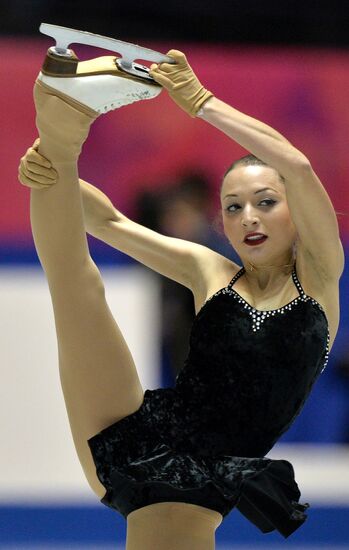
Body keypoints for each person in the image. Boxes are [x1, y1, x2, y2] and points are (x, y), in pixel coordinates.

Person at [18, 45, 344, 550]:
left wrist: (201, 101)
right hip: (137, 430)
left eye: (265, 202)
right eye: (233, 207)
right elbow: (107, 222)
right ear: (222, 222)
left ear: (295, 211)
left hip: (203, 477)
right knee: (78, 286)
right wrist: (51, 174)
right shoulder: (209, 269)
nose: (249, 217)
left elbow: (297, 165)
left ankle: (61, 129)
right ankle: (61, 124)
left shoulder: (320, 280)